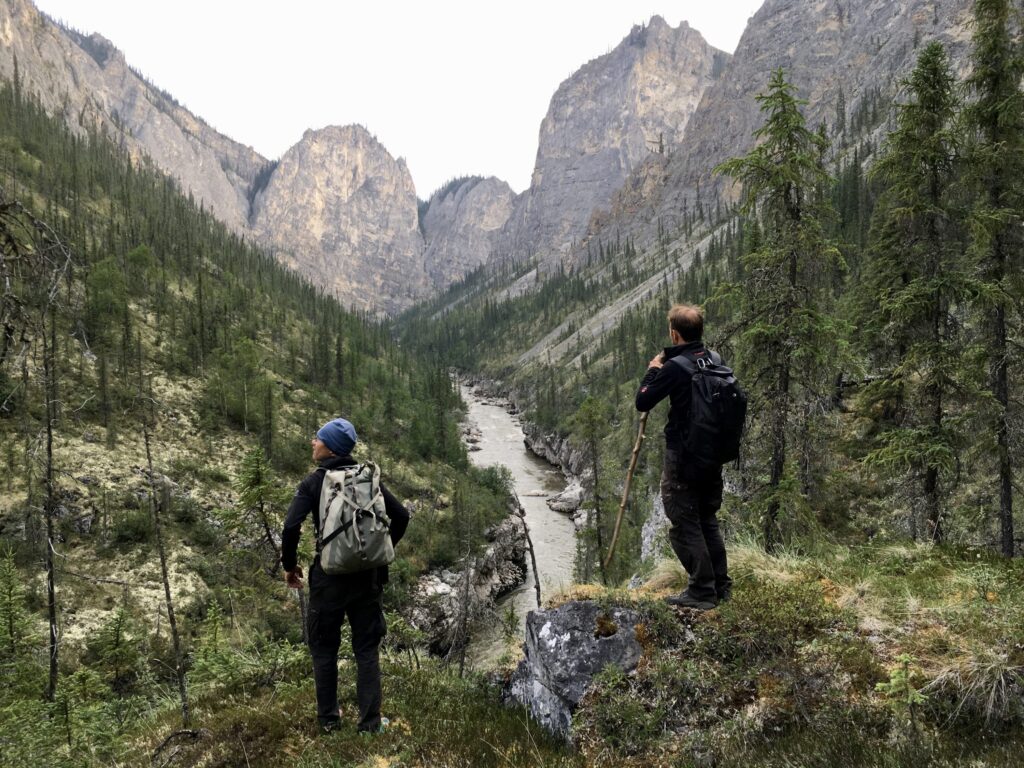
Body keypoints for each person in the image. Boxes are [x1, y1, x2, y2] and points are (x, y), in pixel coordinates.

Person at [281, 417, 410, 733]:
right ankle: (369, 724)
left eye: (318, 438)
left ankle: (329, 721)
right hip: (368, 579)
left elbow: (290, 527)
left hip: (329, 580)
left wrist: (289, 567)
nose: (313, 442)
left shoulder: (314, 483)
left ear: (330, 448)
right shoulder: (367, 477)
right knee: (366, 649)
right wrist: (380, 553)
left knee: (324, 647)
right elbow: (402, 516)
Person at [635, 304, 732, 611]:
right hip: (712, 455)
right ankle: (721, 585)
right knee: (707, 519)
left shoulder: (675, 368)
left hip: (683, 458)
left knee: (684, 520)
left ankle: (702, 590)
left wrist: (653, 368)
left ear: (674, 334)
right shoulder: (714, 360)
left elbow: (643, 400)